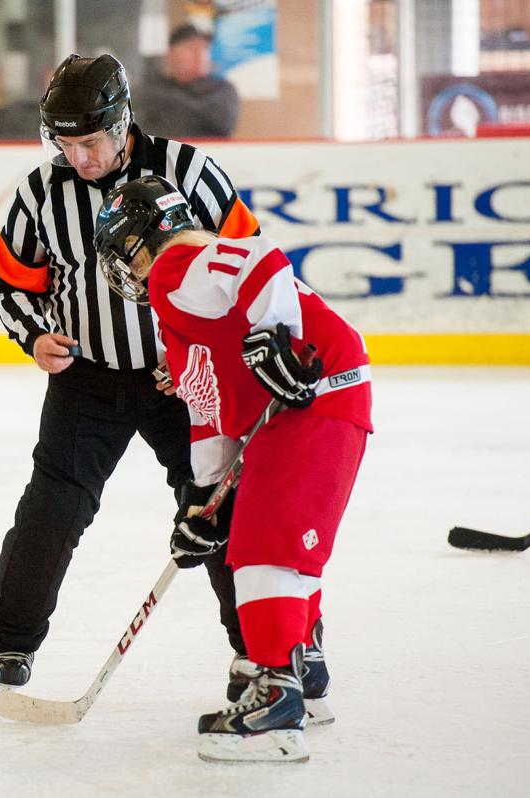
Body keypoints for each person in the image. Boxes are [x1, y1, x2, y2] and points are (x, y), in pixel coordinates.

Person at [0, 53, 263, 691]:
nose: (80, 157)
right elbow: (8, 282)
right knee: (53, 509)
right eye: (66, 143)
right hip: (87, 378)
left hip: (188, 382)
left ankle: (267, 650)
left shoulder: (189, 172)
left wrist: (209, 353)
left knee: (221, 509)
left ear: (123, 120)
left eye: (92, 141)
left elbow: (248, 266)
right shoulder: (40, 193)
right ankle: (10, 642)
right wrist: (33, 336)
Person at [93, 175, 372, 762]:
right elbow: (209, 408)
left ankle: (275, 705)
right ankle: (303, 669)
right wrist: (204, 500)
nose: (127, 267)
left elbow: (259, 257)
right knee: (273, 539)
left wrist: (278, 339)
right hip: (317, 403)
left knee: (264, 549)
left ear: (146, 237)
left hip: (312, 403)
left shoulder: (174, 267)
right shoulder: (181, 316)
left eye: (124, 249)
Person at [136, 23, 238, 139]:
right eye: (191, 48)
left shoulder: (222, 90)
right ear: (171, 54)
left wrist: (168, 103)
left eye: (204, 48)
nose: (200, 54)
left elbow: (220, 123)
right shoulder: (152, 89)